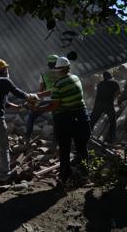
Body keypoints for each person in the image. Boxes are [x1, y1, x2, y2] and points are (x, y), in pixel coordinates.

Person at [32, 56, 90, 184]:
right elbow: (54, 91)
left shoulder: (59, 84)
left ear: (58, 70)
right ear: (68, 67)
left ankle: (64, 176)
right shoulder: (75, 78)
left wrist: (38, 109)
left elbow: (54, 105)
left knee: (64, 148)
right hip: (81, 116)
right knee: (81, 146)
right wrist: (37, 95)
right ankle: (86, 173)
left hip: (65, 119)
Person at [25, 54, 60, 143]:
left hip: (47, 100)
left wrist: (34, 101)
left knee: (31, 117)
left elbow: (41, 90)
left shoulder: (44, 73)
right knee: (57, 119)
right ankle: (56, 140)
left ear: (48, 64)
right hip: (59, 100)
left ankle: (27, 138)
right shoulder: (63, 73)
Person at [89, 70, 121, 141]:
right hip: (108, 104)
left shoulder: (100, 84)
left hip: (98, 104)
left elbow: (97, 94)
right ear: (111, 76)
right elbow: (118, 93)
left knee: (93, 120)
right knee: (112, 121)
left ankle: (87, 133)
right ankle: (112, 137)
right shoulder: (115, 83)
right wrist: (116, 100)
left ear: (103, 77)